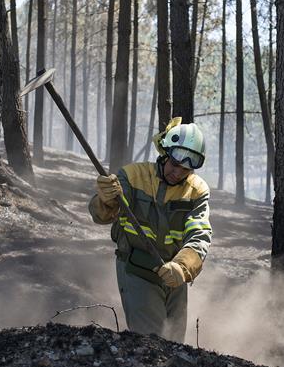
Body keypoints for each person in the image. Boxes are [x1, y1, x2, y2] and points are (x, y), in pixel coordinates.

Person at [88, 118, 212, 342]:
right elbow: (102, 216)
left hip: (174, 275)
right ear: (164, 153)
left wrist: (183, 267)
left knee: (176, 345)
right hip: (137, 270)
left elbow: (200, 234)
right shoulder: (132, 176)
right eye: (175, 165)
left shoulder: (197, 191)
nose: (178, 173)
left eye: (186, 169)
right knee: (150, 341)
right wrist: (105, 199)